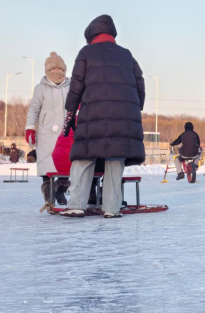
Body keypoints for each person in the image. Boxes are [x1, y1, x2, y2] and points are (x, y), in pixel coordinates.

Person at [59, 15, 145, 219]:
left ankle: (76, 205)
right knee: (115, 159)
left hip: (93, 115)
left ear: (91, 35)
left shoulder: (86, 52)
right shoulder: (127, 55)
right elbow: (140, 85)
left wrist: (70, 114)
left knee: (84, 157)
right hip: (124, 117)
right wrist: (134, 109)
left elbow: (76, 86)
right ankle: (111, 208)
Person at [26, 52, 71, 211]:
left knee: (66, 162)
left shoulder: (71, 86)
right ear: (47, 70)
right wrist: (30, 127)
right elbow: (34, 109)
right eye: (53, 69)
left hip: (67, 132)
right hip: (46, 132)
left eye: (60, 69)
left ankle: (62, 189)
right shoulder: (40, 88)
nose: (57, 72)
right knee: (47, 162)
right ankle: (49, 195)